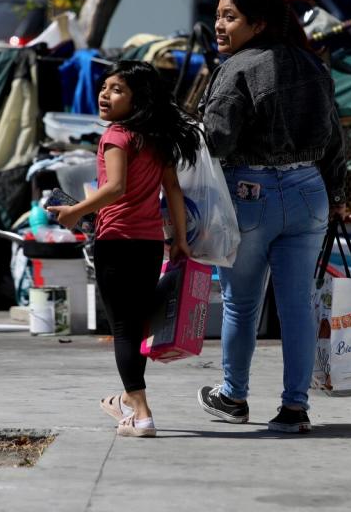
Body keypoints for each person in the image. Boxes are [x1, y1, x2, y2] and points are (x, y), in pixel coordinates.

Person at [197, 0, 347, 434]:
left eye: (230, 17)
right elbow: (336, 138)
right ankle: (295, 408)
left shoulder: (237, 68)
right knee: (298, 305)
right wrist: (337, 196)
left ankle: (233, 396)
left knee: (242, 306)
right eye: (219, 15)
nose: (219, 25)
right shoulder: (311, 65)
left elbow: (217, 141)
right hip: (309, 193)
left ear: (257, 24)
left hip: (251, 199)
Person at [48, 60, 201, 438]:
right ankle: (128, 403)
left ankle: (142, 412)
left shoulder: (117, 136)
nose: (105, 94)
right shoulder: (156, 138)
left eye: (117, 90)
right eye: (105, 87)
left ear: (138, 100)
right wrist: (179, 240)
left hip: (116, 243)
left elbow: (115, 187)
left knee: (124, 330)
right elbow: (174, 191)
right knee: (135, 326)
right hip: (150, 245)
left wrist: (74, 212)